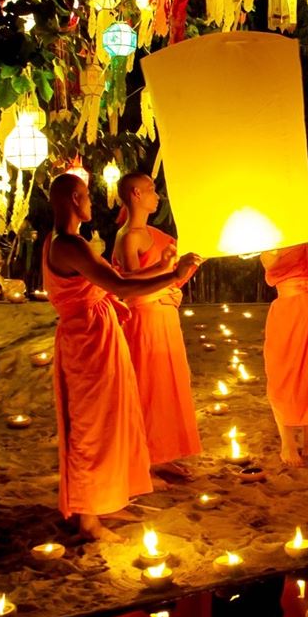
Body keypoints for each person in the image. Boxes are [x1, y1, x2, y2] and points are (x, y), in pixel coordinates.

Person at [44, 174, 201, 541]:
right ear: (71, 200)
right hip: (87, 342)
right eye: (84, 197)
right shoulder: (69, 244)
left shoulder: (68, 242)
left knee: (117, 419)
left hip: (99, 333)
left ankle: (110, 498)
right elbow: (121, 284)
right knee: (92, 426)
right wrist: (172, 275)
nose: (90, 204)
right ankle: (88, 519)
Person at [111, 173, 202, 484]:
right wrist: (165, 267)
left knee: (167, 386)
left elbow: (170, 274)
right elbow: (127, 283)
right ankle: (144, 457)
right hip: (144, 318)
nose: (157, 196)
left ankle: (162, 454)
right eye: (151, 190)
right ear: (135, 194)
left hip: (164, 315)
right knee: (148, 387)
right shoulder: (130, 236)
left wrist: (183, 268)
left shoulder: (152, 233)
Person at [261, 242, 308, 466]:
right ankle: (288, 444)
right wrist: (278, 246)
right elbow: (269, 263)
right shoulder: (273, 234)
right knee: (284, 374)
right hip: (289, 310)